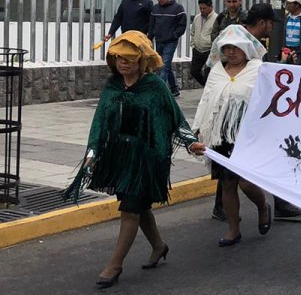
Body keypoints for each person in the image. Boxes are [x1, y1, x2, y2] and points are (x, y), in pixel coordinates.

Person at [64, 31, 205, 288]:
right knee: (139, 207)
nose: (123, 62)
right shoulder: (112, 86)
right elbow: (100, 121)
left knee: (130, 210)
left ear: (142, 59)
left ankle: (114, 265)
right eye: (118, 57)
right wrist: (92, 152)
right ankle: (159, 246)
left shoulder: (156, 86)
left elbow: (176, 118)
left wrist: (190, 142)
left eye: (129, 58)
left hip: (149, 158)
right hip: (120, 158)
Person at [193, 26, 273, 247]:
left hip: (248, 136)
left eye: (235, 47)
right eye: (226, 48)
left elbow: (270, 100)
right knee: (227, 184)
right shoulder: (217, 71)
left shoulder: (258, 69)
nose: (231, 52)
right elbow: (206, 100)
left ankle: (262, 207)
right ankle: (233, 229)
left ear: (245, 48)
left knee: (246, 183)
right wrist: (198, 128)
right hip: (221, 137)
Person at [148, 0, 187, 98]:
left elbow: (182, 25)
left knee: (163, 65)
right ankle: (174, 89)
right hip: (159, 40)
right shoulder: (155, 8)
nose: (159, 0)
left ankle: (158, 90)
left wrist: (174, 36)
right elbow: (152, 25)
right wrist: (149, 38)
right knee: (164, 65)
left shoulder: (178, 8)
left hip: (171, 41)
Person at [188, 0, 218, 87]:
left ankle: (209, 90)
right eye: (200, 8)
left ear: (211, 7)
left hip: (209, 50)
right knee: (194, 71)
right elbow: (192, 31)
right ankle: (206, 87)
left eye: (204, 8)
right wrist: (193, 44)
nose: (202, 10)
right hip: (197, 49)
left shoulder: (216, 19)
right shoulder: (197, 18)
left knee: (208, 73)